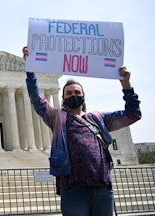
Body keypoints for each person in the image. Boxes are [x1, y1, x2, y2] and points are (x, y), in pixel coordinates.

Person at [23, 46, 141, 216]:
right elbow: (36, 98)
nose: (73, 95)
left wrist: (126, 85)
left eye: (77, 92)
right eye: (69, 93)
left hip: (102, 188)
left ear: (84, 95)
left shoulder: (97, 118)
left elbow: (133, 114)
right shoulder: (57, 117)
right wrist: (31, 69)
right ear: (63, 98)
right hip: (74, 190)